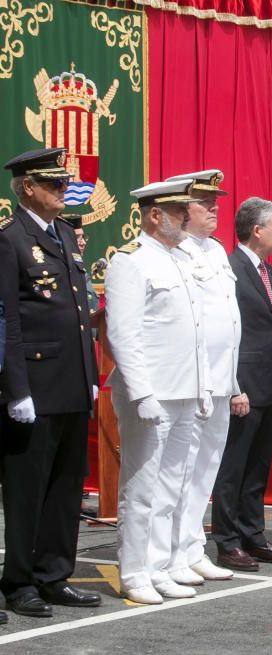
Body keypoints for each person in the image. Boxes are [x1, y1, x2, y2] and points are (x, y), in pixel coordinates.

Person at [0, 148, 100, 618]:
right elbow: (10, 322)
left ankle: (54, 573)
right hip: (35, 385)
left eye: (64, 184)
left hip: (72, 383)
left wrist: (91, 375)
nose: (64, 192)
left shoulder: (63, 234)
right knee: (27, 489)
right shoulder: (11, 241)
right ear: (27, 189)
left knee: (65, 486)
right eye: (54, 185)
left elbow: (79, 313)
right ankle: (19, 581)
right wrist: (15, 389)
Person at [104, 178, 211, 605]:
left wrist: (202, 386)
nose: (187, 216)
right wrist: (141, 392)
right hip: (153, 393)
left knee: (174, 484)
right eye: (178, 211)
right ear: (154, 215)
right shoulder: (131, 262)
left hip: (184, 389)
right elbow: (123, 334)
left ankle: (161, 564)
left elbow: (196, 332)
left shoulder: (180, 259)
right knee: (142, 486)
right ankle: (134, 571)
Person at [158, 170, 245, 586]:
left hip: (220, 380)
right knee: (180, 469)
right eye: (203, 202)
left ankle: (191, 547)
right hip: (191, 383)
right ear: (180, 209)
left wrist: (234, 381)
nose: (213, 208)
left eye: (215, 202)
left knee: (206, 468)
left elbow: (227, 321)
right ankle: (171, 555)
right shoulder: (176, 253)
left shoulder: (216, 250)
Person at [211, 197, 272, 572]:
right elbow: (228, 334)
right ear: (257, 230)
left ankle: (253, 534)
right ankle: (227, 541)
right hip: (243, 387)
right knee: (234, 468)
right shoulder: (231, 270)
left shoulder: (266, 270)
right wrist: (234, 386)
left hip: (269, 384)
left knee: (258, 467)